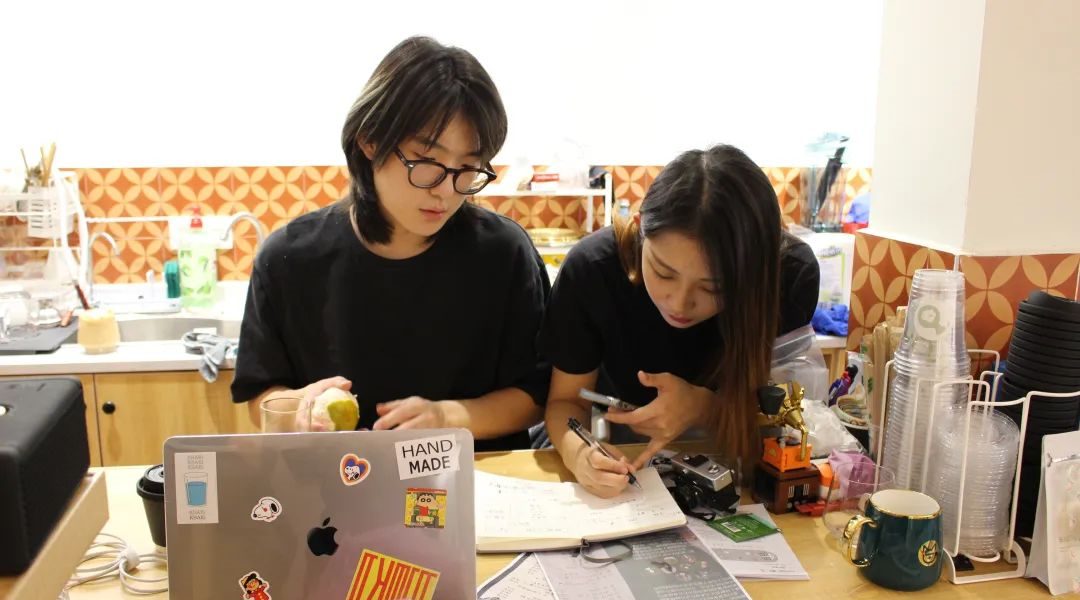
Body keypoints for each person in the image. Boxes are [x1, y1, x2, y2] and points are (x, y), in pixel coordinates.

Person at [232, 36, 550, 451]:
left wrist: (448, 417)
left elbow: (536, 396)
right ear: (370, 139)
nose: (446, 191)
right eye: (428, 161)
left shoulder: (503, 254)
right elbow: (261, 396)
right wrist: (299, 409)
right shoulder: (290, 258)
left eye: (468, 167)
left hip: (474, 479)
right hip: (337, 479)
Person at [539, 144, 820, 497]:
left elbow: (786, 413)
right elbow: (566, 402)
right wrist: (579, 454)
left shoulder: (788, 276)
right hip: (628, 457)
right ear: (641, 229)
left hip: (739, 460)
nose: (680, 302)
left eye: (713, 287)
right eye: (663, 272)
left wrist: (704, 408)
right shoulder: (593, 269)